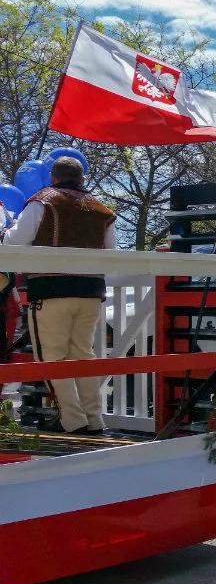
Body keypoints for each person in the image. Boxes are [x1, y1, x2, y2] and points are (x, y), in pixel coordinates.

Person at [0, 157, 116, 433]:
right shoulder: (102, 210)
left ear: (52, 177)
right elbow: (112, 251)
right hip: (90, 293)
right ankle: (94, 418)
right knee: (83, 354)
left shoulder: (43, 201)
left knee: (51, 356)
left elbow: (15, 242)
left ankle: (72, 420)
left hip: (52, 291)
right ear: (82, 178)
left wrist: (5, 232)